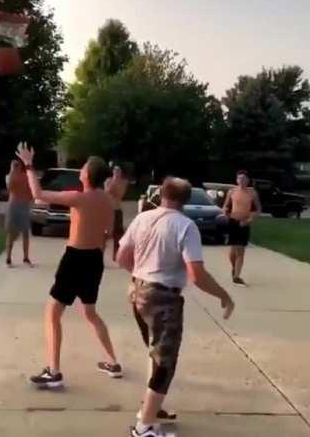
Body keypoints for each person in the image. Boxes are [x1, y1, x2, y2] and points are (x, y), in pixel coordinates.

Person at [117, 177, 235, 437]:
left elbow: (121, 257)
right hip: (163, 299)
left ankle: (152, 409)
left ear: (161, 193)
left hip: (137, 291)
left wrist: (141, 276)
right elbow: (197, 275)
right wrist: (224, 295)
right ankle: (144, 427)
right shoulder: (185, 226)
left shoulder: (143, 218)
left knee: (154, 352)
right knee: (165, 363)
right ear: (186, 199)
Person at [16, 143, 122, 388]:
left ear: (87, 175)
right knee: (90, 313)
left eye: (83, 167)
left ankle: (53, 372)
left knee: (52, 314)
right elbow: (107, 231)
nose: (81, 169)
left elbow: (39, 194)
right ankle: (112, 362)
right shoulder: (108, 200)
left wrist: (29, 165)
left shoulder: (79, 198)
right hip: (95, 260)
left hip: (75, 258)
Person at [223, 170, 262, 285]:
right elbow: (225, 206)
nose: (242, 181)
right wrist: (225, 211)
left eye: (244, 179)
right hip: (232, 222)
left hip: (244, 222)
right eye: (239, 178)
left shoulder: (252, 193)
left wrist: (249, 220)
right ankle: (234, 268)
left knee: (240, 251)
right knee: (232, 251)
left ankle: (236, 276)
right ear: (236, 180)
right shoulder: (231, 192)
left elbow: (258, 209)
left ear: (248, 180)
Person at [5, 159, 33, 268]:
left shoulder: (26, 177)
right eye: (14, 165)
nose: (16, 167)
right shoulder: (9, 177)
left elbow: (31, 192)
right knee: (11, 232)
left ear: (21, 166)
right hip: (13, 206)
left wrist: (27, 199)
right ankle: (8, 258)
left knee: (25, 232)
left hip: (23, 206)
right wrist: (12, 173)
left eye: (18, 165)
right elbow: (9, 188)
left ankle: (26, 258)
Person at [105, 165, 129, 261]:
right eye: (115, 171)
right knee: (105, 232)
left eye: (118, 171)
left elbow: (120, 194)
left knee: (118, 234)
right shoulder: (108, 181)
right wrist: (114, 182)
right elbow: (107, 192)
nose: (117, 173)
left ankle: (116, 254)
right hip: (108, 209)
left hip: (118, 209)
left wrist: (116, 184)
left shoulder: (124, 182)